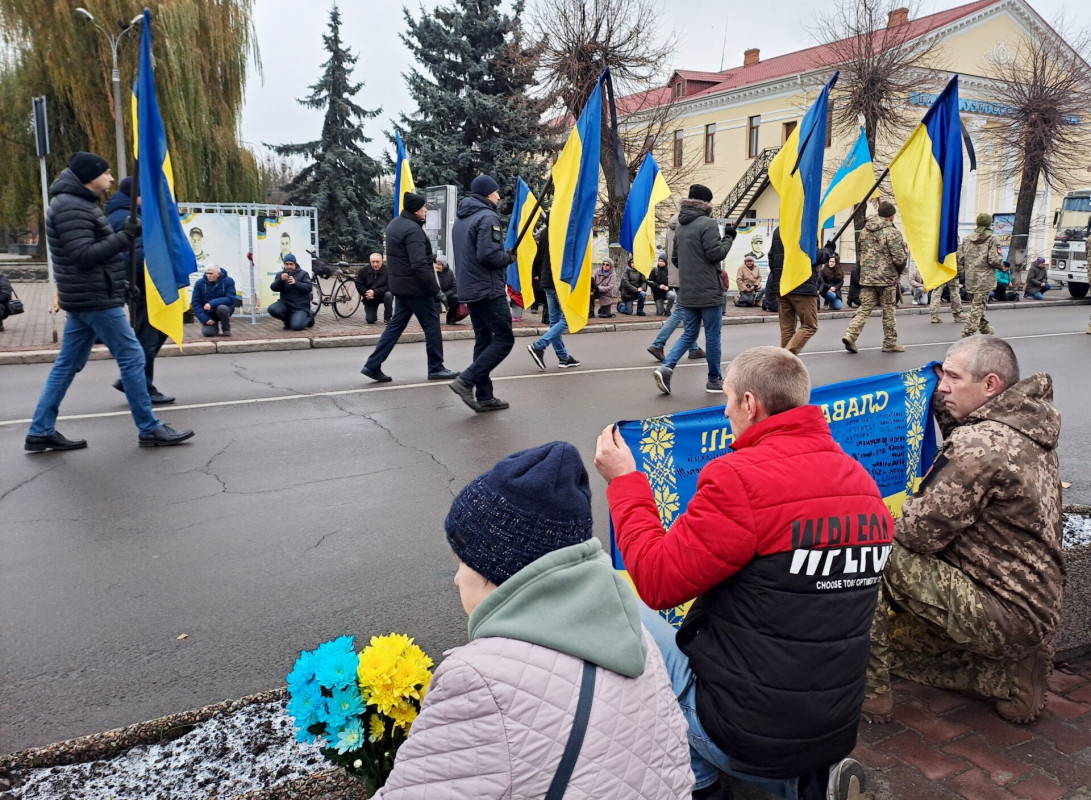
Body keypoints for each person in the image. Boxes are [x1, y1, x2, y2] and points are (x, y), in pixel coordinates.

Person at [596, 346, 890, 800]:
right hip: (835, 722)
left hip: (745, 730)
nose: (726, 412)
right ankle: (805, 783)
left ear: (750, 404)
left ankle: (703, 781)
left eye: (728, 400)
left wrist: (624, 484)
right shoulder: (861, 482)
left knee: (613, 598)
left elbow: (656, 582)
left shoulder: (739, 478)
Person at [373, 442, 694, 799]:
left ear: (498, 571)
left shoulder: (479, 680)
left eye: (463, 562)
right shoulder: (634, 633)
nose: (457, 578)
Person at [864, 336, 1063, 726]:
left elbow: (917, 535)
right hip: (1028, 604)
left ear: (990, 385)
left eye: (953, 378)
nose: (943, 386)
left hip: (1002, 612)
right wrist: (942, 401)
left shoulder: (980, 444)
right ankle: (1010, 677)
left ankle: (868, 692)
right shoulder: (1023, 422)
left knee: (870, 547)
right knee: (902, 647)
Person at [25, 151, 193, 451]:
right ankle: (149, 427)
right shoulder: (71, 208)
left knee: (67, 365)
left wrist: (122, 285)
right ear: (90, 177)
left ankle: (40, 430)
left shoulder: (76, 204)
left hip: (90, 296)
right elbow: (84, 256)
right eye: (106, 173)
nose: (111, 178)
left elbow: (94, 257)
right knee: (133, 357)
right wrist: (124, 236)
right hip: (95, 300)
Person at [361, 192, 458, 384]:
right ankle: (436, 367)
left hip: (400, 287)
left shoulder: (394, 224)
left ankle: (373, 364)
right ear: (415, 210)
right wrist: (435, 291)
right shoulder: (413, 230)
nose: (426, 211)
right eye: (423, 208)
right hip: (417, 289)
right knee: (432, 327)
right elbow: (419, 265)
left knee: (395, 328)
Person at [653, 184, 735, 396]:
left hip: (687, 290)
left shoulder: (680, 226)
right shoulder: (707, 223)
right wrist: (729, 237)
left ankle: (667, 367)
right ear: (705, 203)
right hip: (709, 290)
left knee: (690, 333)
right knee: (713, 336)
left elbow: (675, 259)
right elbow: (716, 254)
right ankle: (713, 379)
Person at [449, 175, 517, 412]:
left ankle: (485, 395)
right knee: (505, 339)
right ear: (488, 194)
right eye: (496, 192)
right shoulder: (488, 217)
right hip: (488, 290)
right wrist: (508, 257)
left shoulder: (461, 219)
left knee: (484, 340)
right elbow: (487, 256)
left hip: (469, 289)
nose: (499, 196)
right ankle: (466, 381)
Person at [104, 176, 175, 405]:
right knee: (149, 333)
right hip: (142, 283)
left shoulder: (130, 212)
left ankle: (133, 378)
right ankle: (141, 384)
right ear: (136, 196)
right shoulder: (125, 216)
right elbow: (133, 254)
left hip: (143, 282)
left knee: (158, 329)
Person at [842, 201, 907, 354]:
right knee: (888, 311)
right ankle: (889, 343)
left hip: (867, 277)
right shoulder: (892, 232)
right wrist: (900, 269)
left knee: (864, 308)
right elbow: (899, 258)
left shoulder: (865, 230)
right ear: (890, 216)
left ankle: (850, 335)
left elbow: (861, 252)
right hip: (887, 279)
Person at [527, 225, 580, 370]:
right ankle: (539, 345)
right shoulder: (561, 228)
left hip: (547, 280)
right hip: (559, 281)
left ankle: (563, 357)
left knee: (554, 321)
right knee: (568, 318)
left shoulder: (544, 231)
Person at [773, 230, 827, 356]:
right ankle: (785, 359)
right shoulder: (806, 226)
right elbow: (814, 257)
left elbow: (772, 256)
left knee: (787, 329)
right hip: (803, 285)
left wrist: (777, 279)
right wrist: (828, 251)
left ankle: (785, 369)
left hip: (783, 285)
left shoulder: (780, 229)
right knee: (810, 326)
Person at [961, 213, 1005, 338]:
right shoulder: (992, 238)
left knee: (977, 305)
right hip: (984, 279)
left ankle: (985, 330)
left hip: (970, 278)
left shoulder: (967, 238)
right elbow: (994, 260)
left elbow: (961, 258)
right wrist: (1002, 266)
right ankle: (967, 334)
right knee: (977, 307)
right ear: (989, 224)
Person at [268, 253, 314, 331]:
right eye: (286, 264)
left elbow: (308, 288)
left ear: (295, 264)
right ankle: (288, 321)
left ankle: (310, 317)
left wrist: (296, 283)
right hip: (285, 304)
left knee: (297, 327)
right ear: (284, 264)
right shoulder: (280, 274)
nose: (289, 266)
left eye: (291, 264)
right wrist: (280, 280)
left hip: (300, 306)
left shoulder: (303, 274)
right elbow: (273, 288)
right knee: (272, 309)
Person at [191, 264, 239, 337]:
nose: (208, 275)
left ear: (218, 274)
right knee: (208, 333)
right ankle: (214, 327)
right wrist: (205, 319)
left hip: (224, 309)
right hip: (208, 313)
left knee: (222, 308)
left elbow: (230, 298)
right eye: (207, 273)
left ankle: (226, 329)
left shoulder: (228, 281)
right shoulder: (199, 283)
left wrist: (211, 303)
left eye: (211, 273)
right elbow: (196, 303)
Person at [355, 252, 393, 325]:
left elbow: (390, 286)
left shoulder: (388, 270)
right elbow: (359, 284)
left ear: (382, 261)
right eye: (373, 262)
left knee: (389, 295)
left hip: (383, 295)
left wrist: (374, 292)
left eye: (377, 262)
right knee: (370, 320)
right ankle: (372, 315)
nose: (375, 264)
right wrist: (366, 293)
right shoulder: (363, 270)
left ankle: (387, 318)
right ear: (370, 262)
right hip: (370, 298)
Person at [434, 256, 460, 324]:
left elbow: (454, 287)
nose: (436, 266)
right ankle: (434, 319)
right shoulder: (433, 273)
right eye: (436, 264)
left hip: (447, 294)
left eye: (439, 264)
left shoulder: (450, 273)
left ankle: (450, 318)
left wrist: (444, 295)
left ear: (444, 265)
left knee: (456, 299)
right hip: (435, 295)